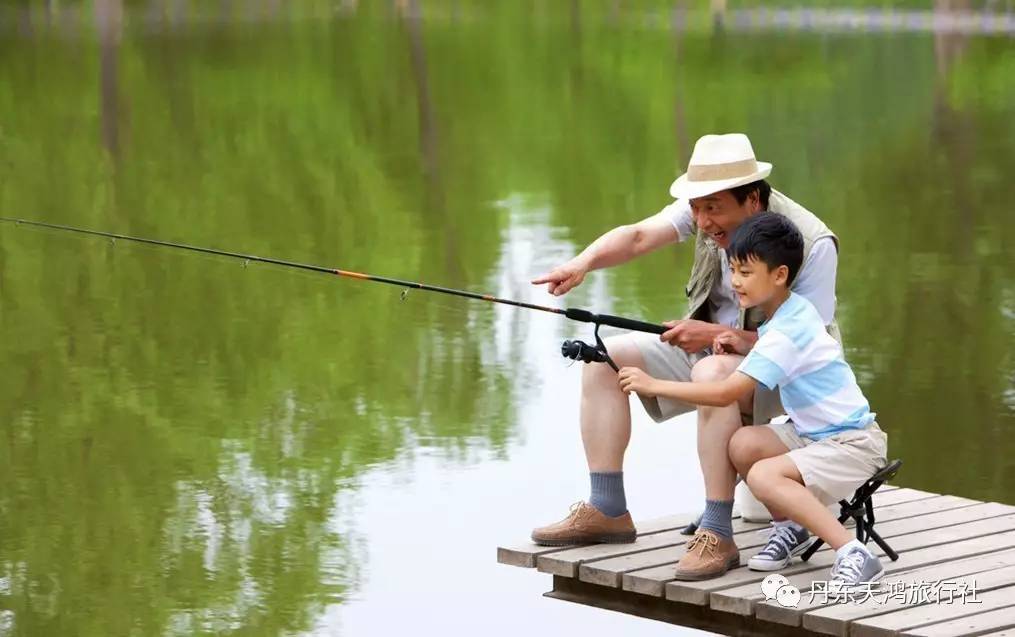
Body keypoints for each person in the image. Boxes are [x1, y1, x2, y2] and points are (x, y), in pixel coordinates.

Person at [529, 133, 841, 580]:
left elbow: (807, 343)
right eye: (696, 208)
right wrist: (581, 264)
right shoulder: (705, 210)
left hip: (791, 377)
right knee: (602, 357)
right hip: (711, 353)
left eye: (713, 208)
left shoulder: (812, 243)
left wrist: (713, 334)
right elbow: (637, 237)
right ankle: (608, 509)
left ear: (752, 199)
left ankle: (717, 531)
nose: (703, 220)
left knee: (713, 370)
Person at [617, 213, 888, 586]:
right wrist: (742, 340)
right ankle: (792, 528)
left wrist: (653, 385)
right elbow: (774, 350)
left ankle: (852, 553)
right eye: (732, 270)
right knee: (743, 443)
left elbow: (727, 392)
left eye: (746, 272)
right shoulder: (788, 314)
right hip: (814, 434)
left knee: (762, 473)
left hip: (853, 444)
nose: (735, 282)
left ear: (779, 275)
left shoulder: (787, 329)